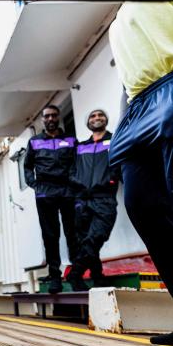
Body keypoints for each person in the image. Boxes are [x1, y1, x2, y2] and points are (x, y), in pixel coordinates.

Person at [108, 2, 173, 345]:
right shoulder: (116, 23)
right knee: (143, 206)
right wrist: (124, 131)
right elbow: (126, 83)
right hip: (139, 108)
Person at [24, 105, 78, 294]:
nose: (50, 119)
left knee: (73, 235)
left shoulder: (71, 140)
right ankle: (55, 277)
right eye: (47, 116)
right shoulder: (34, 142)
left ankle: (76, 276)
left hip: (67, 193)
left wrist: (74, 184)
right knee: (50, 236)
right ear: (42, 120)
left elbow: (77, 163)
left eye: (54, 115)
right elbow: (27, 167)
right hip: (45, 194)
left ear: (59, 117)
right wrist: (35, 185)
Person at [67, 109, 120, 291]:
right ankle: (97, 277)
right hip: (82, 200)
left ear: (106, 119)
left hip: (104, 198)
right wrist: (78, 183)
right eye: (92, 116)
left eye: (100, 115)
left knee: (95, 237)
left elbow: (120, 163)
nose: (97, 118)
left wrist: (111, 179)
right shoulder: (80, 147)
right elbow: (71, 171)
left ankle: (75, 273)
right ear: (88, 122)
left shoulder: (115, 140)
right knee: (87, 241)